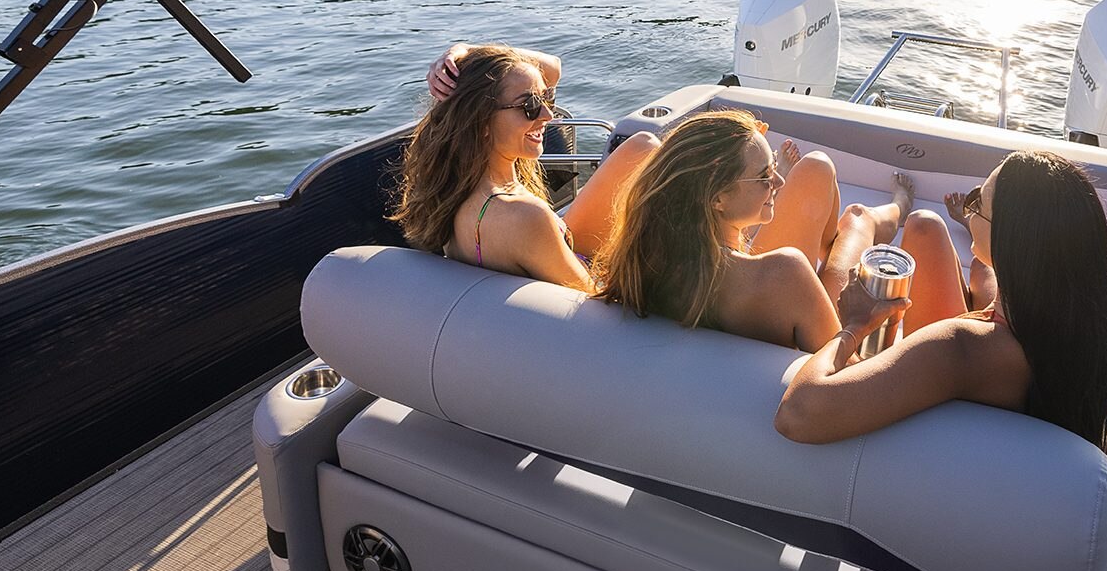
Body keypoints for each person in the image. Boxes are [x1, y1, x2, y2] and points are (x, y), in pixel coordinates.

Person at [774, 150, 1107, 460]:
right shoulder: (1083, 328)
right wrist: (983, 248)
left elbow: (797, 415)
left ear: (1011, 242)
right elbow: (990, 290)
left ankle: (883, 214)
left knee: (856, 227)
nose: (971, 210)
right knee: (927, 228)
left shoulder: (960, 348)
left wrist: (852, 326)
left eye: (978, 205)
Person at [596, 109, 914, 352]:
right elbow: (844, 379)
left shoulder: (640, 258)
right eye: (765, 176)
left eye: (774, 170)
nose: (778, 183)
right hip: (822, 326)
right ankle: (899, 206)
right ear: (717, 197)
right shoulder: (784, 274)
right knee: (857, 220)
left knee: (817, 170)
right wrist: (857, 323)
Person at [391, 43, 659, 287]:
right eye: (529, 105)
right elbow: (592, 300)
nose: (549, 114)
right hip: (579, 284)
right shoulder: (526, 217)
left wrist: (466, 51)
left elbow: (552, 68)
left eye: (546, 98)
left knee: (643, 147)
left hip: (549, 252)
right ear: (481, 122)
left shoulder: (456, 186)